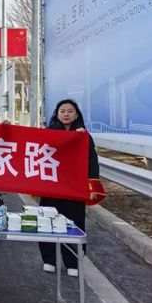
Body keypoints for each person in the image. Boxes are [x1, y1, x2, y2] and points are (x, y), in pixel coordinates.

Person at [39, 99, 99, 277]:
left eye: (70, 111)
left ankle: (73, 261)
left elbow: (92, 162)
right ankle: (49, 259)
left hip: (74, 188)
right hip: (51, 186)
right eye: (62, 111)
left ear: (76, 114)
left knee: (74, 223)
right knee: (47, 221)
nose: (66, 114)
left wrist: (92, 186)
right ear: (57, 114)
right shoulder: (48, 133)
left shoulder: (84, 136)